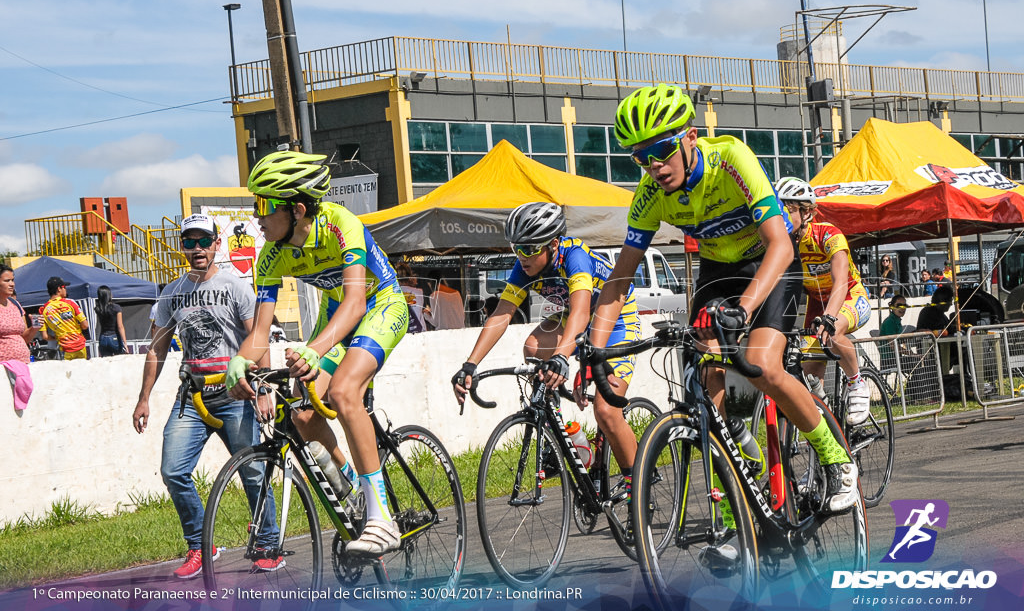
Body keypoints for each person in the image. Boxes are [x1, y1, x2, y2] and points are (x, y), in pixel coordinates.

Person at [589, 84, 859, 542]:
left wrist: (745, 308)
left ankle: (836, 459)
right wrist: (595, 347)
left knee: (761, 364)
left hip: (769, 263)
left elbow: (780, 244)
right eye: (641, 157)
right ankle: (738, 517)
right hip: (719, 270)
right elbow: (621, 275)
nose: (654, 166)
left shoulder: (732, 158)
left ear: (690, 137)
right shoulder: (650, 194)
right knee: (706, 396)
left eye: (660, 150)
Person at [226, 150, 410, 556]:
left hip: (380, 305)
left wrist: (313, 349)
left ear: (297, 208)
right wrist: (240, 359)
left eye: (263, 204)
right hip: (336, 315)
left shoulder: (342, 224)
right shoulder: (271, 254)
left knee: (344, 392)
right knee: (303, 411)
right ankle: (351, 485)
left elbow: (357, 302)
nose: (256, 216)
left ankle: (382, 519)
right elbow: (259, 331)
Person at [451, 202, 643, 499]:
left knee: (605, 409)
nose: (521, 256)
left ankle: (637, 488)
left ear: (553, 244)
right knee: (533, 348)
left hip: (614, 318)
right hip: (575, 317)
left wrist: (564, 358)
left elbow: (581, 313)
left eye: (528, 248)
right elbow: (502, 314)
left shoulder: (574, 256)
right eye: (516, 248)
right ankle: (563, 433)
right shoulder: (525, 266)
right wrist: (470, 364)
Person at [132, 214, 278, 579]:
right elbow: (156, 348)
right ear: (182, 247)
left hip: (235, 393)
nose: (196, 249)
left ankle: (268, 543)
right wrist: (144, 397)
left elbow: (258, 338)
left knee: (253, 472)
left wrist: (262, 388)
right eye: (189, 242)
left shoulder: (236, 287)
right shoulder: (172, 292)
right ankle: (200, 544)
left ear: (216, 244)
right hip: (193, 398)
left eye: (203, 241)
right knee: (173, 470)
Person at [775, 177, 872, 426]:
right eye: (779, 208)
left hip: (850, 296)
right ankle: (829, 419)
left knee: (833, 329)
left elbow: (840, 281)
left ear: (807, 212)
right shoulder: (782, 244)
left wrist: (829, 317)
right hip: (816, 304)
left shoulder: (828, 234)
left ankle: (857, 383)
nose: (782, 215)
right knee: (808, 375)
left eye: (789, 209)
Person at [40, 276, 89, 360]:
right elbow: (85, 325)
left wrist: (58, 337)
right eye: (64, 287)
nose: (66, 290)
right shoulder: (70, 302)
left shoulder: (43, 309)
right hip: (80, 346)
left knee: (66, 372)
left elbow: (45, 336)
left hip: (64, 348)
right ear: (59, 289)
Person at [0, 265, 37, 363]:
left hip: (22, 364)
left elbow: (24, 338)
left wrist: (34, 328)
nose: (12, 284)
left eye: (12, 280)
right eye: (7, 281)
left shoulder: (15, 304)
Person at [95, 285, 127, 357]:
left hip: (102, 337)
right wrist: (125, 343)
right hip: (114, 336)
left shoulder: (98, 309)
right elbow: (120, 326)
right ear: (108, 295)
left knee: (106, 362)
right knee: (118, 359)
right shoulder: (116, 308)